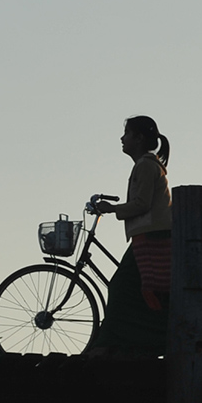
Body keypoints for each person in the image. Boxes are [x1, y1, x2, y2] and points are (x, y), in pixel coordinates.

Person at [86, 115, 173, 354]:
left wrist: (112, 209)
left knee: (121, 287)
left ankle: (114, 342)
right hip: (147, 236)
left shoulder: (145, 165)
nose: (122, 139)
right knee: (130, 289)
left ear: (139, 138)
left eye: (127, 134)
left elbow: (142, 204)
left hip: (151, 239)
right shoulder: (147, 164)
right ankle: (132, 341)